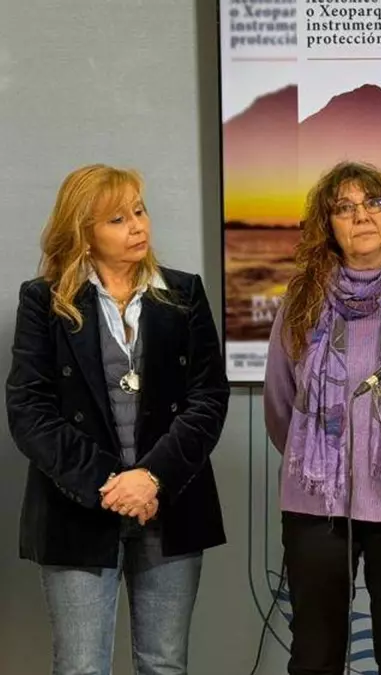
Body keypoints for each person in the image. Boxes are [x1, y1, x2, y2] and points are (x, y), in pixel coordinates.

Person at [6, 164, 230, 675]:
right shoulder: (43, 301)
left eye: (139, 211)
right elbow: (30, 411)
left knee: (164, 665)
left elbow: (208, 399)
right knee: (81, 668)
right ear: (84, 233)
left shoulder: (184, 293)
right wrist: (111, 484)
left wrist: (151, 479)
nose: (137, 226)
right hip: (77, 507)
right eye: (117, 219)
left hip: (169, 503)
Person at [263, 161, 381, 675]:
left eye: (373, 203)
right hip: (315, 505)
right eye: (344, 208)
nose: (361, 216)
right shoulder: (301, 299)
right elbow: (280, 402)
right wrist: (320, 465)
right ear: (328, 226)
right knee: (315, 653)